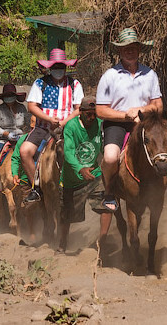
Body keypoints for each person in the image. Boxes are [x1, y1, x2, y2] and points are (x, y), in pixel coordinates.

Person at [96, 28, 167, 212]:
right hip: (118, 124)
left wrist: (141, 111)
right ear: (120, 51)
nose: (130, 51)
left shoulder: (149, 74)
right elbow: (100, 110)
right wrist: (124, 115)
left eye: (134, 48)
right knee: (111, 157)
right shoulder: (109, 76)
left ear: (139, 50)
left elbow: (158, 105)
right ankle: (109, 193)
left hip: (148, 123)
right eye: (126, 48)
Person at [20, 48, 84, 203]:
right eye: (55, 67)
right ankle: (36, 187)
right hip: (43, 127)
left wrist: (63, 122)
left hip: (68, 126)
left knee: (87, 150)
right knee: (24, 151)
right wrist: (49, 119)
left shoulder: (74, 84)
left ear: (66, 67)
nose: (58, 70)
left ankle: (86, 185)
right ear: (49, 68)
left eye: (60, 67)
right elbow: (32, 106)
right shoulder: (40, 83)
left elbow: (79, 109)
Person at [58, 97, 111, 253]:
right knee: (65, 215)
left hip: (94, 175)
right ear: (80, 112)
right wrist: (80, 168)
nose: (92, 117)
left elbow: (104, 148)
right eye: (88, 114)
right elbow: (68, 152)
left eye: (94, 114)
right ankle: (62, 244)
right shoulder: (71, 127)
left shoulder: (100, 124)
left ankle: (103, 243)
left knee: (107, 205)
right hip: (72, 179)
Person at [0, 84, 28, 197]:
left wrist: (24, 135)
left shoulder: (22, 108)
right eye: (7, 95)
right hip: (2, 139)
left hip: (21, 137)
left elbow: (27, 123)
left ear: (15, 96)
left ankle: (36, 184)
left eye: (11, 95)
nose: (9, 98)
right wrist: (8, 134)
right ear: (3, 97)